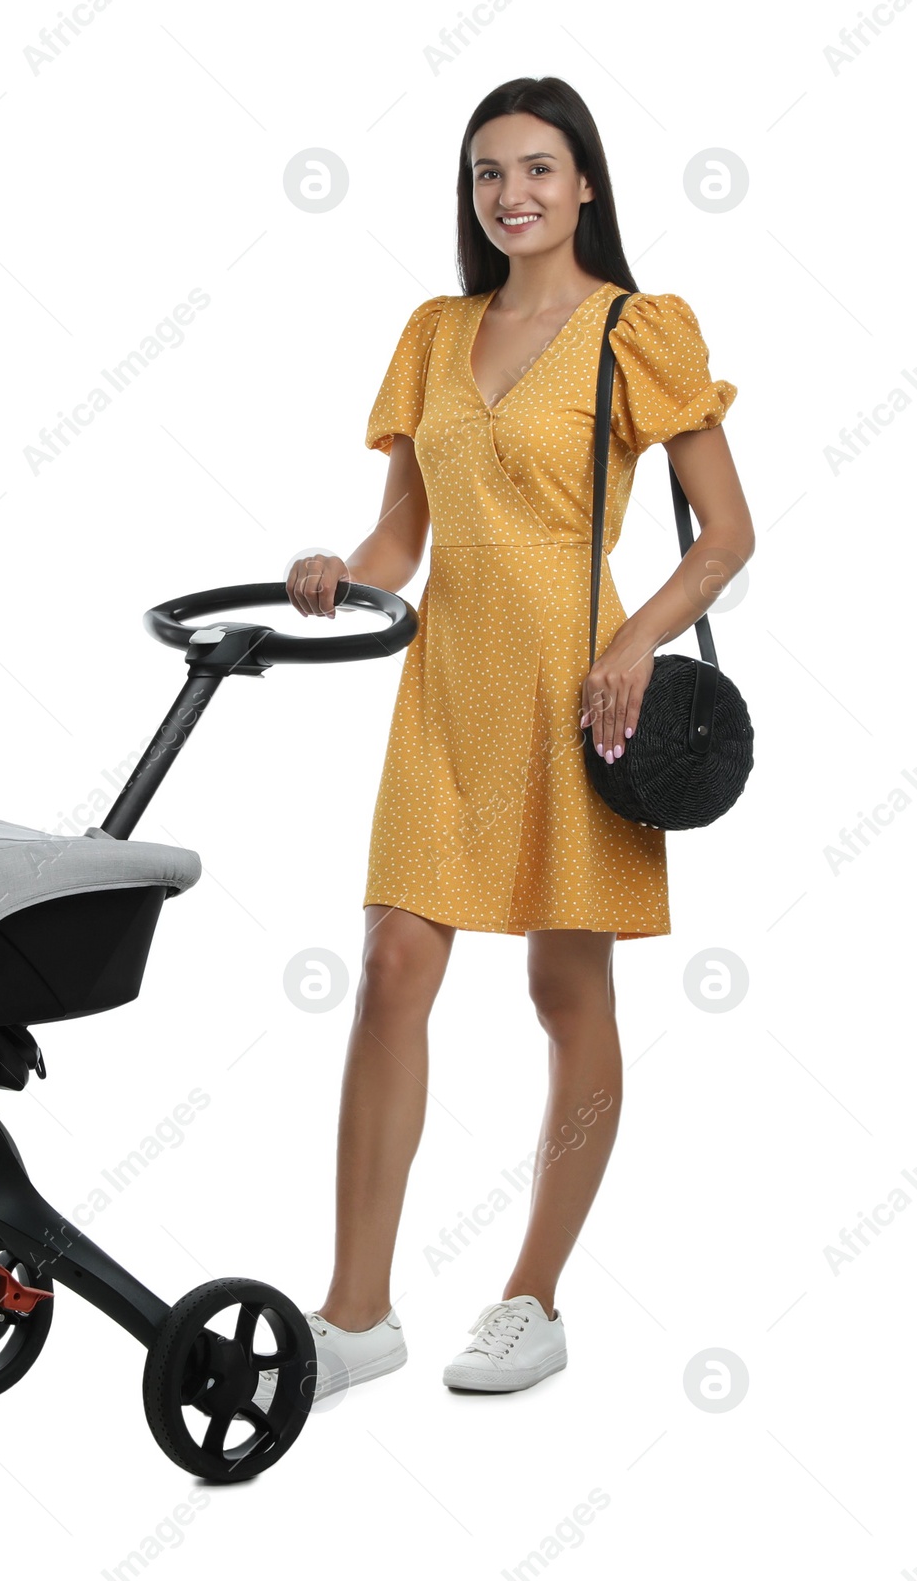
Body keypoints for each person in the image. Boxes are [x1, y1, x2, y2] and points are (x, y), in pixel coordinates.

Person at [284, 77, 754, 1399]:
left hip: (577, 690)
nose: (513, 195)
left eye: (539, 169)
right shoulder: (435, 331)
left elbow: (726, 537)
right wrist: (343, 566)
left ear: (586, 184)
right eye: (489, 173)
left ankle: (532, 1298)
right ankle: (359, 1312)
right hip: (444, 687)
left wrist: (631, 640)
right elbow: (402, 538)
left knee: (566, 993)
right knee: (390, 967)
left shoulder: (637, 332)